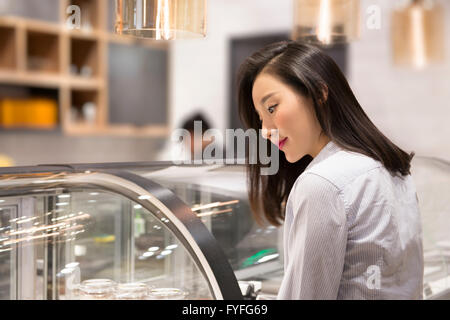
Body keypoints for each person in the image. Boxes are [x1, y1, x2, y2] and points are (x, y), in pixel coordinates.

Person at [237, 41, 423, 299]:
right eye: (260, 118)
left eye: (272, 108)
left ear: (319, 92)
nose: (266, 130)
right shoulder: (392, 167)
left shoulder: (321, 183)